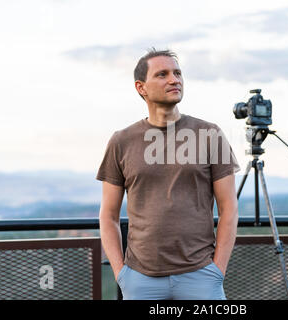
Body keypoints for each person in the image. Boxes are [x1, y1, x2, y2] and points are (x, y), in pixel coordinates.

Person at [97, 48, 240, 300]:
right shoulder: (122, 141)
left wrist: (217, 270)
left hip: (201, 275)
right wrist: (121, 274)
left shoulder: (210, 134)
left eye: (177, 73)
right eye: (162, 74)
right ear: (141, 87)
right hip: (140, 279)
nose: (174, 80)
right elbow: (108, 216)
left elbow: (229, 208)